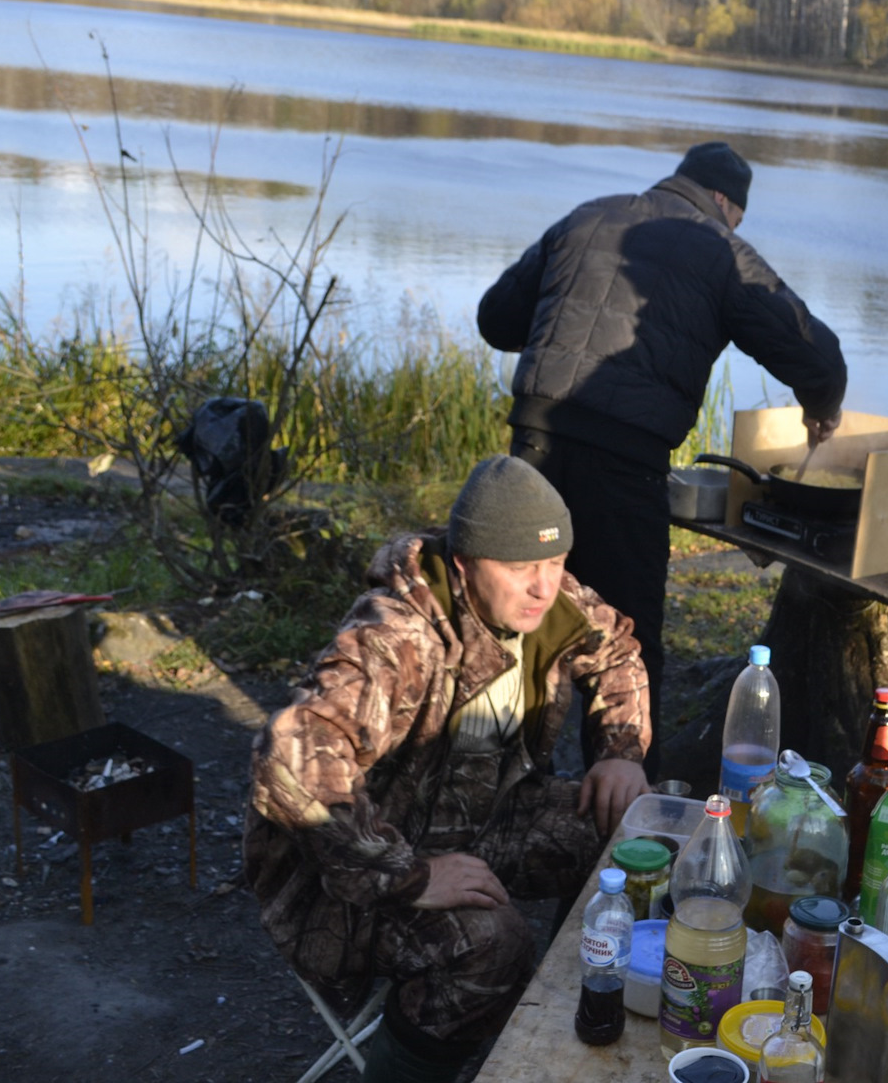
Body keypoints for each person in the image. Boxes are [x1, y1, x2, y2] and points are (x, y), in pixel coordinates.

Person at [245, 456, 653, 1083]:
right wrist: (406, 876)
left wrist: (621, 752)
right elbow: (291, 761)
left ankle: (571, 1018)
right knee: (494, 944)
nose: (544, 587)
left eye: (554, 562)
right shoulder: (398, 636)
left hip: (483, 817)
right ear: (464, 564)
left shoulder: (549, 599)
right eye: (520, 569)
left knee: (630, 843)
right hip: (346, 874)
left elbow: (617, 647)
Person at [476, 140, 847, 772]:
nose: (733, 225)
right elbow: (811, 350)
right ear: (724, 202)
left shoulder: (589, 215)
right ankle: (620, 797)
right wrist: (822, 405)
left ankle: (490, 775)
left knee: (514, 617)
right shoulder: (721, 249)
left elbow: (496, 318)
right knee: (628, 639)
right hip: (623, 461)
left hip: (532, 447)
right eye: (736, 216)